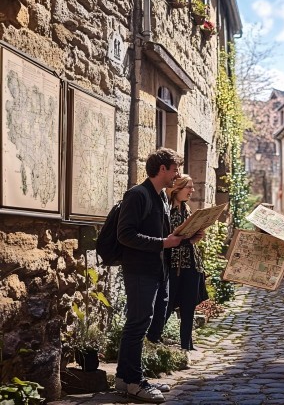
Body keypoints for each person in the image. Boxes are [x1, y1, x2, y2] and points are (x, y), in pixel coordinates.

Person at [114, 148, 197, 403]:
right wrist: (164, 242)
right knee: (137, 324)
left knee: (144, 323)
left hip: (156, 270)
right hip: (139, 270)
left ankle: (124, 378)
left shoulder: (160, 196)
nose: (177, 175)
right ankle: (133, 382)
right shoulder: (137, 195)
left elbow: (167, 240)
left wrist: (188, 238)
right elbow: (125, 234)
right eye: (175, 169)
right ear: (162, 169)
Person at [149, 174, 208, 352]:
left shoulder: (187, 209)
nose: (192, 191)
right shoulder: (167, 210)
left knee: (189, 306)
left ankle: (187, 344)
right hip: (174, 266)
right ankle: (152, 339)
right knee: (167, 306)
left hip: (191, 264)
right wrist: (187, 239)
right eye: (188, 187)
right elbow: (167, 239)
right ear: (177, 189)